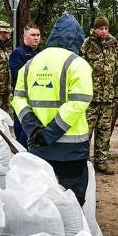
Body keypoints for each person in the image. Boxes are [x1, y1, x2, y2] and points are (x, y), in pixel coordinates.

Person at [12, 12, 93, 204]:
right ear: (75, 38)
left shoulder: (31, 64)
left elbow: (18, 99)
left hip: (38, 145)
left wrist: (35, 130)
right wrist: (50, 132)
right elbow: (79, 101)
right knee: (72, 200)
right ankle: (72, 233)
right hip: (71, 148)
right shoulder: (77, 63)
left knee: (41, 198)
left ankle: (46, 232)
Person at [81, 17, 118, 175]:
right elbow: (80, 69)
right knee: (86, 131)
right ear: (94, 29)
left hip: (108, 97)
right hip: (91, 97)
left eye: (106, 28)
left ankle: (101, 161)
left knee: (104, 131)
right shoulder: (87, 44)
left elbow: (117, 71)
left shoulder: (112, 45)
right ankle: (83, 161)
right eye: (100, 28)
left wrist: (116, 95)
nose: (103, 31)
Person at [9, 23, 42, 147]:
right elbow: (18, 77)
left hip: (38, 101)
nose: (36, 38)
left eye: (38, 35)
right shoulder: (18, 53)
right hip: (23, 100)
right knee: (23, 133)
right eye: (33, 35)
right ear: (25, 36)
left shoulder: (41, 53)